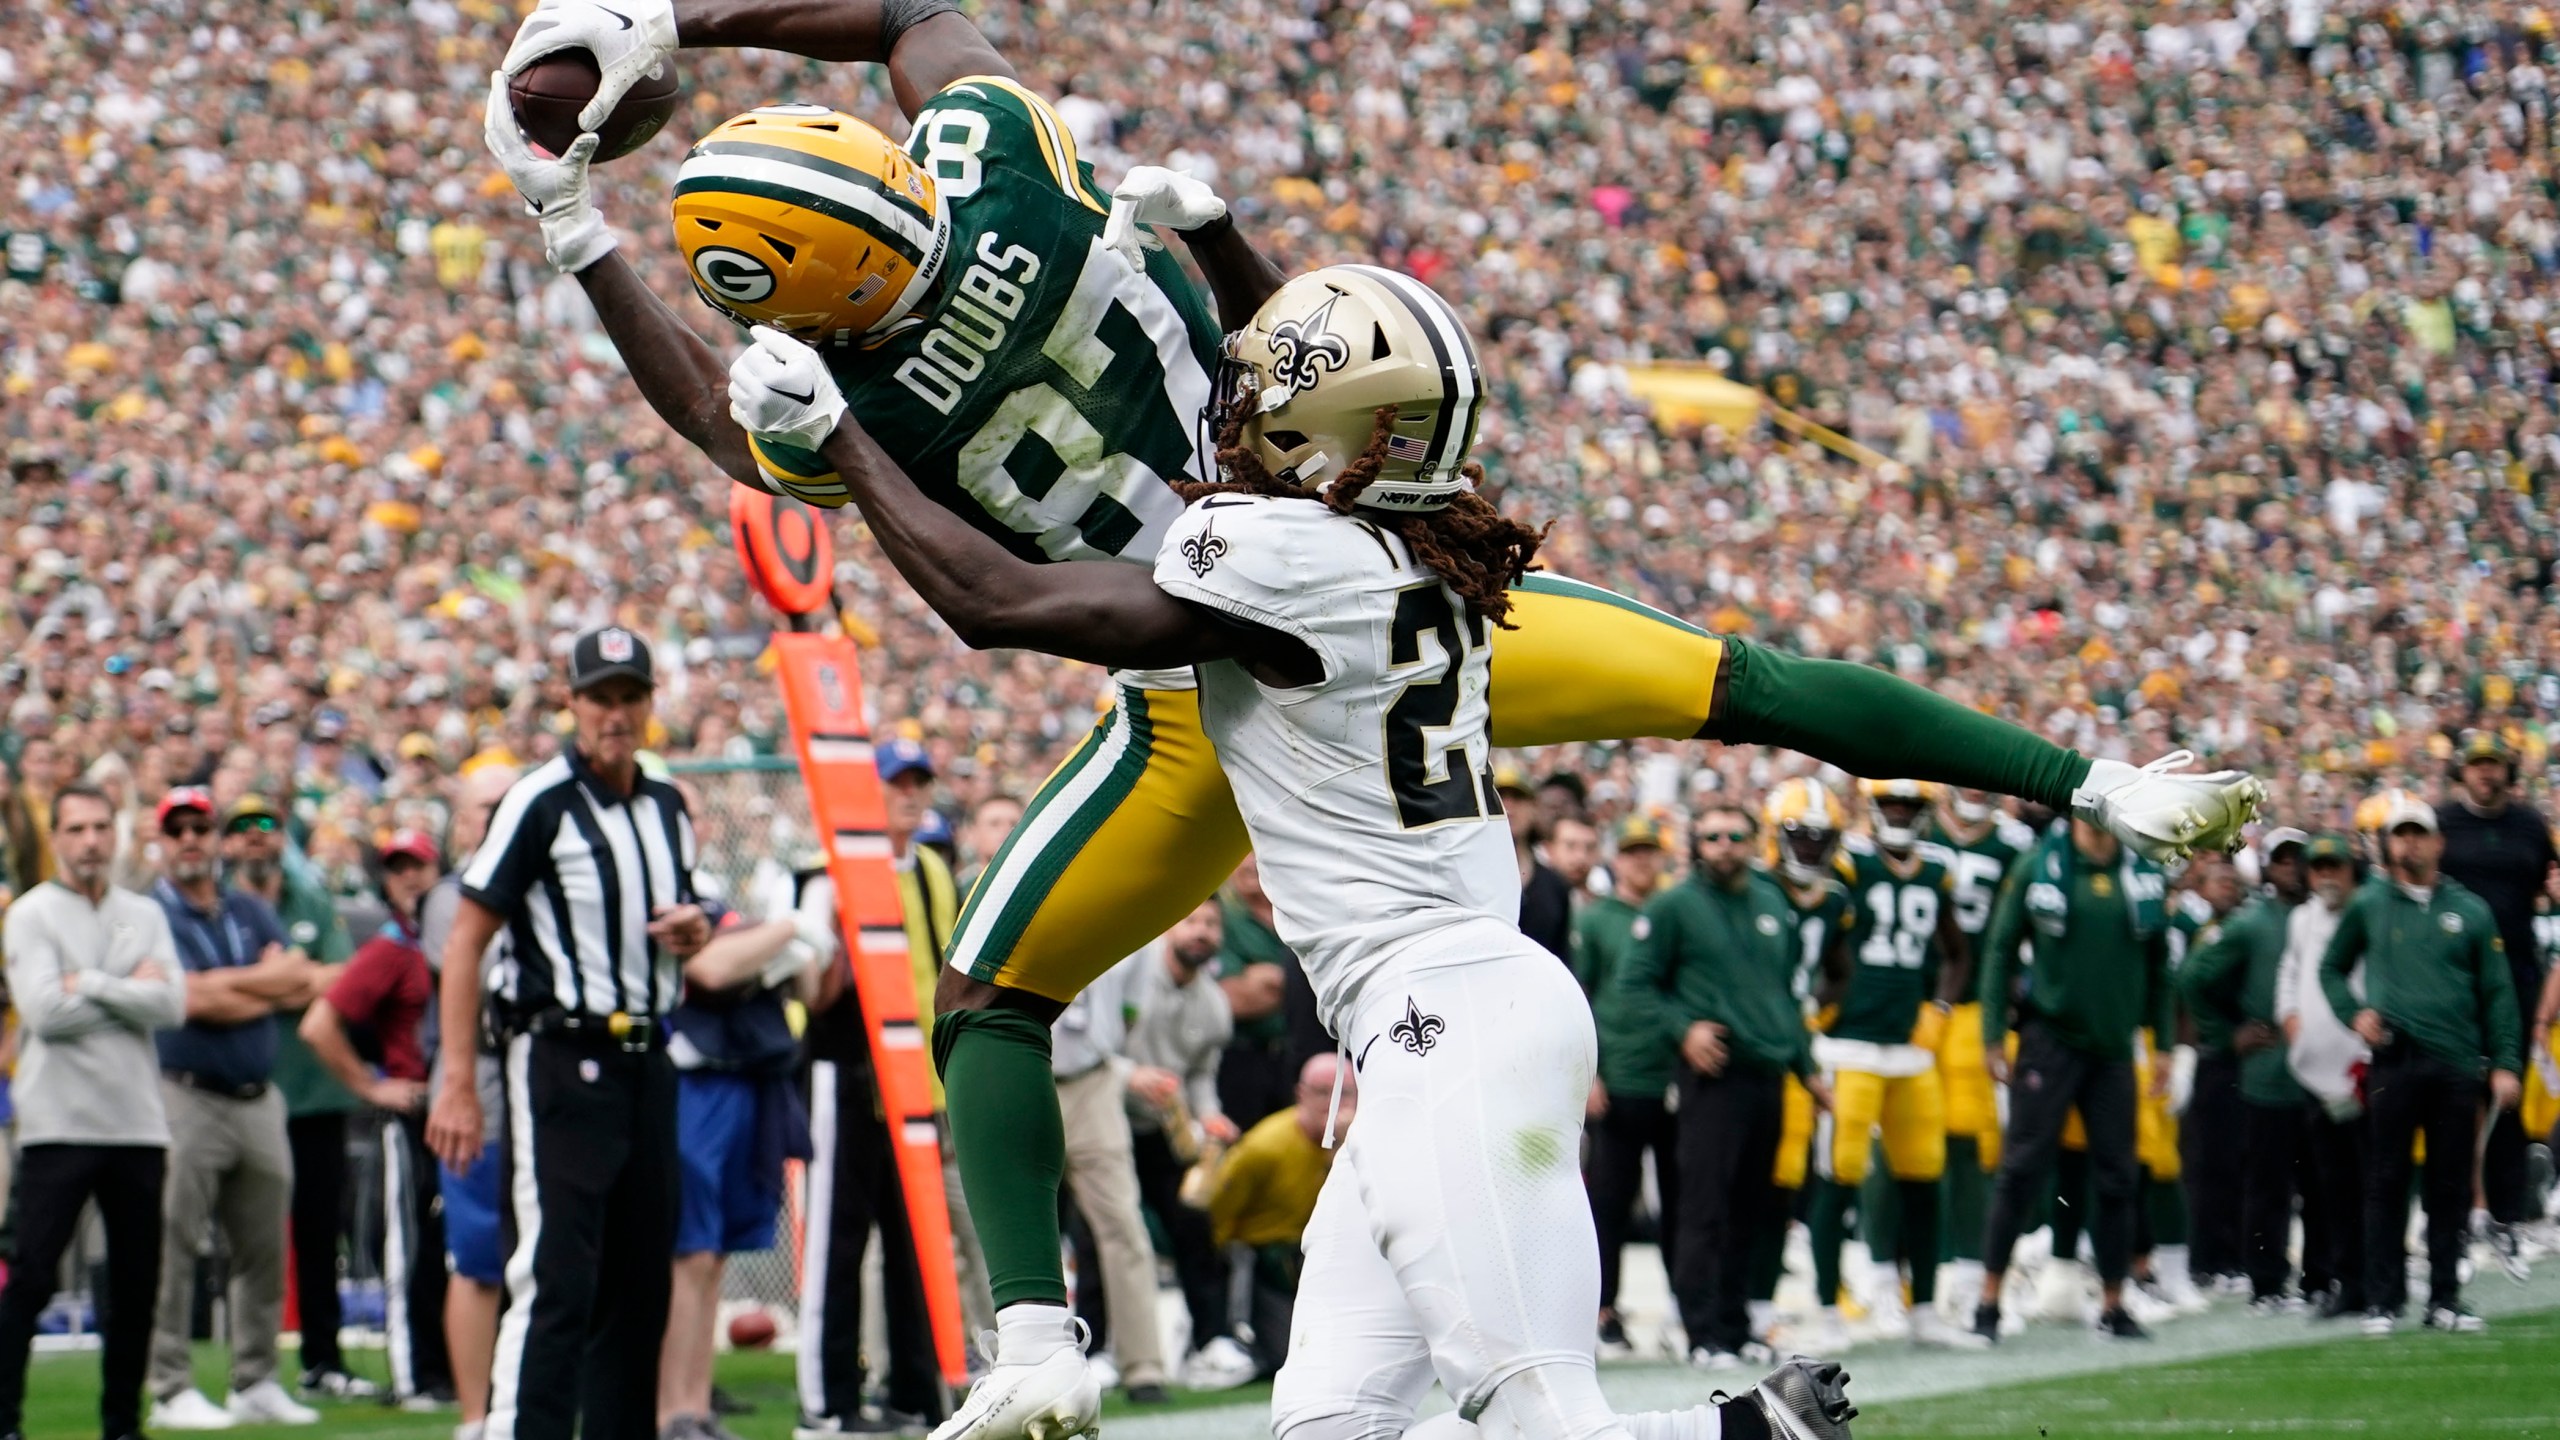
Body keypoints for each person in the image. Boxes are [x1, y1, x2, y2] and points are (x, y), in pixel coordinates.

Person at [488, 10, 2260, 1430]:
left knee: (999, 1000)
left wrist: (604, 233)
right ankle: (2095, 779)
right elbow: (941, 40)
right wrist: (1224, 241)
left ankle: (1036, 1336)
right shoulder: (1348, 479)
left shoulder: (1186, 521)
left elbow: (982, 589)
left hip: (1210, 690)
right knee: (1741, 682)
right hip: (1382, 748)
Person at [721, 258, 1899, 1437]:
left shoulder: (1282, 561)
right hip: (1434, 1027)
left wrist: (844, 438)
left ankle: (1728, 1433)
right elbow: (1337, 387)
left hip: (1450, 1019)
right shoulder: (1418, 544)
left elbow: (1003, 605)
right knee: (1323, 1428)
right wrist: (1228, 239)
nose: (1233, 420)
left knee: (1541, 1413)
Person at [421, 626, 713, 1440]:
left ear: (650, 705)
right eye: (600, 698)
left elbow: (688, 906)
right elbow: (466, 937)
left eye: (629, 697)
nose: (614, 714)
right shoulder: (539, 800)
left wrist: (697, 927)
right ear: (572, 705)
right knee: (555, 1278)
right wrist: (454, 1081)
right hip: (559, 1055)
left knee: (640, 1285)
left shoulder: (664, 804)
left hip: (648, 1057)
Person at [797, 734, 974, 1438]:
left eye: (918, 781)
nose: (910, 793)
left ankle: (914, 1393)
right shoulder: (827, 872)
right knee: (838, 1247)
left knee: (914, 1245)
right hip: (846, 1073)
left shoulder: (932, 867)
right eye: (896, 782)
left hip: (916, 1083)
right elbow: (809, 988)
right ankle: (827, 1405)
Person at [0, 782, 187, 1440]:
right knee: (30, 1279)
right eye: (76, 829)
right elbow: (46, 1013)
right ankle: (4, 1421)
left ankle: (121, 1426)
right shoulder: (30, 913)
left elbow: (173, 1004)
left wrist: (94, 983)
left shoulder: (145, 913)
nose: (90, 841)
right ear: (56, 838)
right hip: (57, 1124)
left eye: (100, 827)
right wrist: (130, 986)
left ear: (116, 834)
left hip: (137, 1123)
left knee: (137, 1287)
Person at [1615, 799, 1829, 1370]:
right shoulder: (1674, 905)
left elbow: (1785, 994)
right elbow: (1634, 983)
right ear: (1695, 844)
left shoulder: (1770, 900)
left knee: (1754, 1209)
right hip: (1714, 1072)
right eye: (1711, 837)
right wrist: (1683, 1031)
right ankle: (1701, 1331)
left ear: (1754, 840)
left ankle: (1736, 1328)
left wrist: (1808, 1068)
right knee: (1703, 1206)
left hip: (1769, 1073)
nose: (1724, 846)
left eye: (1735, 835)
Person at [147, 785, 326, 1430]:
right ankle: (169, 1385)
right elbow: (186, 1002)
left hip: (257, 1096)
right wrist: (261, 986)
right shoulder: (152, 913)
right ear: (162, 840)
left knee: (261, 1249)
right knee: (174, 1243)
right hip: (184, 1092)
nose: (192, 839)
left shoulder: (247, 909)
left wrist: (234, 990)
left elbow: (302, 979)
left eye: (201, 828)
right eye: (179, 829)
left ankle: (255, 1379)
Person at [2320, 794, 2524, 1335]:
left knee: (2450, 1185)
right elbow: (2331, 968)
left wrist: (2505, 1062)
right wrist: (2352, 1013)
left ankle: (2444, 1299)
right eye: (2400, 834)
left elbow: (2498, 992)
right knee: (2386, 1180)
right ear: (2388, 843)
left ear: (2438, 842)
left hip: (2457, 1063)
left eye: (2418, 833)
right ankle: (2384, 1299)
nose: (2408, 843)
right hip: (2396, 1058)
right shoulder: (2369, 904)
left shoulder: (2472, 909)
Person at [1973, 812, 2176, 1344]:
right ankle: (1988, 1300)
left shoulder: (2144, 870)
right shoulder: (2037, 865)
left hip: (2114, 1045)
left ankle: (2113, 1302)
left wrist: (2165, 1043)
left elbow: (2159, 965)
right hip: (2050, 1038)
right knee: (2022, 1168)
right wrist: (1993, 1033)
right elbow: (1999, 949)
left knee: (2118, 1176)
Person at [1807, 781, 1981, 1352]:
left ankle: (1925, 1310)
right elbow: (1820, 934)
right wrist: (1826, 997)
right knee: (1840, 1176)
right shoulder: (1849, 864)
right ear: (1873, 808)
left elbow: (1958, 952)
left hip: (1910, 1051)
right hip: (1849, 1046)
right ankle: (1829, 1311)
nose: (1900, 815)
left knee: (1925, 1175)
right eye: (1892, 804)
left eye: (1910, 806)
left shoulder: (1936, 869)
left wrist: (1941, 1007)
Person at [660, 885, 828, 1440]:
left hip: (745, 1085)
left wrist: (786, 943)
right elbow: (710, 970)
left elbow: (810, 983)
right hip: (692, 1087)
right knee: (690, 1255)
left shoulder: (717, 907)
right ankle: (670, 1411)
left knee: (715, 1258)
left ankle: (696, 1404)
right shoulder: (672, 904)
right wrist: (787, 928)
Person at [224, 793, 373, 1401]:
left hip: (310, 1094)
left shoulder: (310, 899)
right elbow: (192, 993)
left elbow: (345, 980)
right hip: (234, 1093)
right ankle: (243, 1368)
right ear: (227, 842)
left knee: (318, 1233)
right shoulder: (215, 905)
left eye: (267, 825)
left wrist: (253, 984)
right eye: (243, 828)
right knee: (238, 1236)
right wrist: (293, 978)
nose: (257, 836)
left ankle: (322, 1358)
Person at [298, 830, 452, 1405]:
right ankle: (415, 1377)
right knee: (410, 1249)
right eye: (397, 869)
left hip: (457, 1108)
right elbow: (319, 1024)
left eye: (420, 865)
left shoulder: (447, 940)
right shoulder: (391, 948)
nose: (410, 877)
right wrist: (373, 1087)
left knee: (449, 1248)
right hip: (411, 1113)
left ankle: (449, 1369)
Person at [417, 764, 525, 1440]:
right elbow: (487, 979)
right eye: (483, 809)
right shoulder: (450, 897)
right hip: (479, 1082)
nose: (494, 821)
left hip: (536, 1082)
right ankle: (475, 1416)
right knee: (478, 1256)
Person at [1108, 900, 1251, 1391]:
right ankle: (1100, 1352)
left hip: (1170, 1128)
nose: (1202, 932)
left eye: (1212, 924)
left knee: (1194, 1226)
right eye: (1192, 920)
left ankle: (1211, 1343)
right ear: (1169, 927)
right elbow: (1092, 1049)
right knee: (1104, 1231)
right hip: (1108, 1118)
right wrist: (1132, 1076)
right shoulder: (1129, 971)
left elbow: (1202, 1075)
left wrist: (1209, 1115)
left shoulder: (1214, 1004)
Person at [2433, 730, 2554, 1271]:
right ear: (2463, 770)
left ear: (2509, 770)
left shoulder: (2530, 824)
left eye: (2495, 765)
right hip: (2456, 980)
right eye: (2477, 764)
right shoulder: (2439, 822)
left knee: (2507, 1096)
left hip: (2517, 975)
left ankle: (2505, 1219)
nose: (2486, 773)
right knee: (2457, 1099)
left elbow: (2546, 883)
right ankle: (2456, 1220)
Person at [2178, 829, 2314, 1309]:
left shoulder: (2331, 914)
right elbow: (2192, 978)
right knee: (2262, 1178)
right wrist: (2225, 1033)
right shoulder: (2253, 923)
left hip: (2323, 1071)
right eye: (2282, 861)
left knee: (2322, 1180)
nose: (2292, 869)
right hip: (2269, 1070)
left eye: (2300, 859)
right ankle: (2260, 1276)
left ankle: (2322, 1278)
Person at [1925, 790, 2035, 1313]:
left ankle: (1970, 1269)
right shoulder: (1918, 830)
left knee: (1974, 1141)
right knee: (1902, 1146)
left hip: (1975, 1008)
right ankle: (1892, 1273)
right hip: (1917, 1004)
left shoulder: (2014, 844)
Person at [1572, 815, 1675, 1359]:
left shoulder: (1674, 911)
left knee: (1683, 1200)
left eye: (1649, 852)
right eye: (1632, 851)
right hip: (1620, 1075)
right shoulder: (1597, 919)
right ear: (1617, 859)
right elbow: (1579, 997)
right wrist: (1589, 1073)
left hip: (1674, 1074)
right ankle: (1604, 1310)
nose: (1641, 861)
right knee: (1609, 1201)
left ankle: (1682, 1308)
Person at [1205, 1054, 1353, 1381]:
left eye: (1344, 1093)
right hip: (1270, 1258)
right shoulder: (1265, 1148)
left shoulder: (1364, 1145)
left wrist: (1341, 1153)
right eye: (1321, 1092)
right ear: (1300, 1094)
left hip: (1336, 1252)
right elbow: (1217, 1214)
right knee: (1289, 1358)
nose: (1332, 1103)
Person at [2276, 833, 2370, 1319]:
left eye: (2335, 865)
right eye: (2318, 867)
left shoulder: (2369, 912)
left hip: (2361, 1067)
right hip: (2314, 1071)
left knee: (2372, 1179)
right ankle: (2345, 1278)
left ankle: (2378, 1277)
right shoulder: (2301, 919)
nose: (2326, 876)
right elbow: (2289, 974)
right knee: (2328, 1184)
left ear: (2353, 869)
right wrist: (2290, 1018)